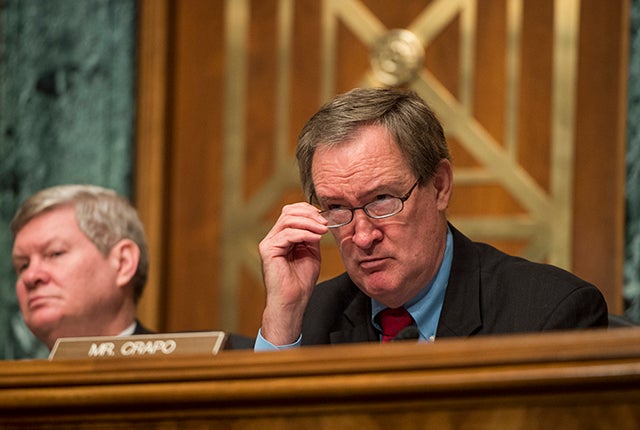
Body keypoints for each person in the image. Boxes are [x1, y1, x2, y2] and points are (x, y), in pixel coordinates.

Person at [255, 87, 608, 350]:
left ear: (439, 186)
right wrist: (283, 316)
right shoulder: (310, 317)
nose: (362, 237)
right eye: (337, 208)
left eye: (381, 200)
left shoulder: (551, 316)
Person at [10, 184, 255, 351]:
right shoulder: (12, 389)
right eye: (22, 265)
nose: (31, 276)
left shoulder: (219, 360)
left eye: (54, 253)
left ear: (123, 263)